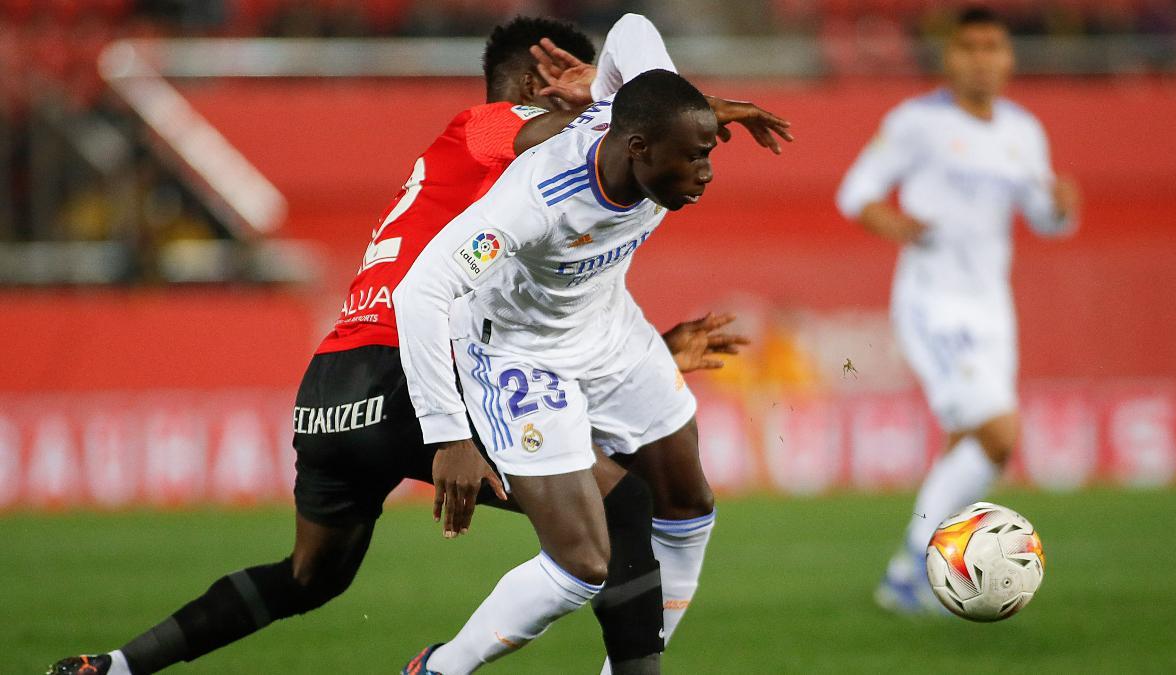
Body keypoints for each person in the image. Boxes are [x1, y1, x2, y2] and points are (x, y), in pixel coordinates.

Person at [50, 15, 786, 675]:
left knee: (311, 575)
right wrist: (602, 104)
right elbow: (542, 145)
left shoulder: (461, 160)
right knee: (622, 508)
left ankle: (115, 665)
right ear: (534, 83)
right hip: (411, 368)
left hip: (332, 381)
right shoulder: (490, 127)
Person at [397, 66, 737, 674]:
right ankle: (438, 670)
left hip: (608, 331)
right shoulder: (536, 199)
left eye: (706, 153)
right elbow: (421, 291)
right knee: (583, 564)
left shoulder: (646, 135)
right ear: (637, 147)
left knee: (688, 502)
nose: (706, 172)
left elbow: (636, 33)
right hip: (517, 355)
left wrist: (707, 106)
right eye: (693, 156)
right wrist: (448, 433)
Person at [835, 6, 1080, 615]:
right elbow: (856, 192)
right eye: (969, 47)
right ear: (949, 57)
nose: (981, 58)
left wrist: (1061, 207)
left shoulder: (1024, 131)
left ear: (1009, 58)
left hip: (992, 305)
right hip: (932, 302)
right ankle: (923, 561)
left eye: (993, 46)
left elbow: (1046, 222)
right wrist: (897, 224)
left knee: (975, 439)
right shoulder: (917, 122)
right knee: (999, 433)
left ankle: (903, 574)